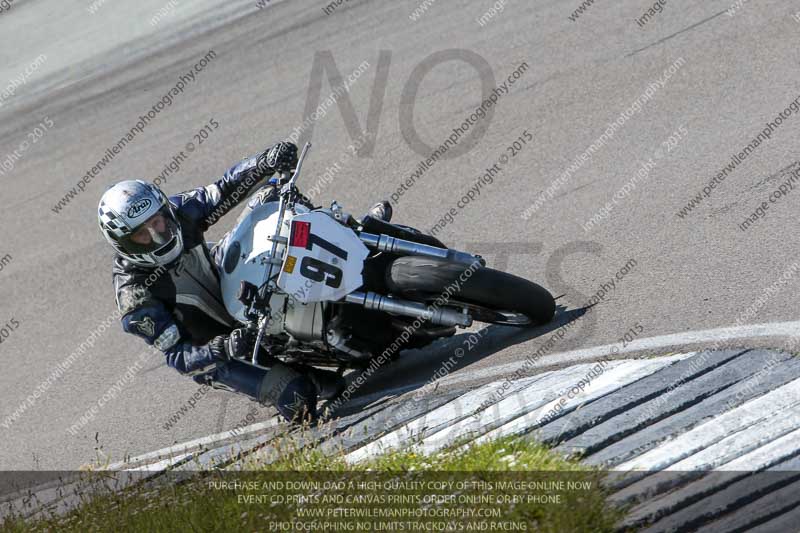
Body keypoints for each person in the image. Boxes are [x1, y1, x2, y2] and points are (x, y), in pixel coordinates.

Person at [97, 141, 392, 423]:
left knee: (271, 196)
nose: (158, 234)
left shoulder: (177, 213)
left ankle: (353, 231)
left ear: (163, 210)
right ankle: (303, 371)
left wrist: (266, 161)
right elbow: (178, 357)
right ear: (124, 243)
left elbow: (223, 189)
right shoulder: (135, 297)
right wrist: (222, 348)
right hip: (222, 347)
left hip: (230, 283)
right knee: (298, 400)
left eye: (158, 222)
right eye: (142, 235)